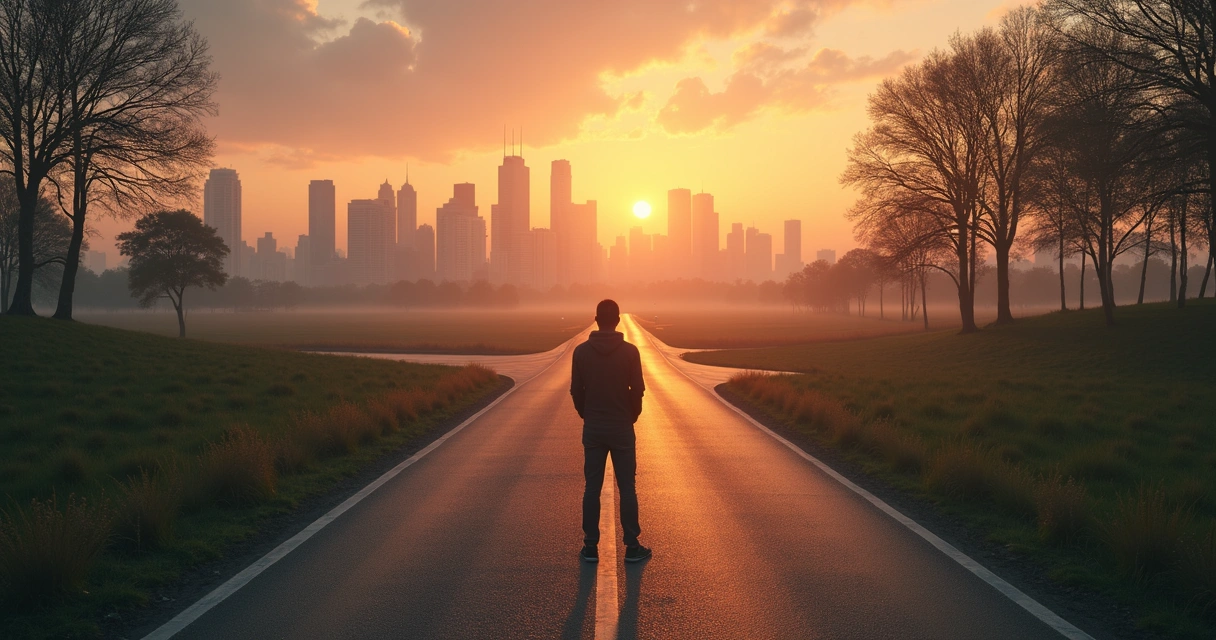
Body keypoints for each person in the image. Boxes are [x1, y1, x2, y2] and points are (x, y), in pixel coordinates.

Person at [570, 299, 651, 563]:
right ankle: (631, 545)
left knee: (592, 487)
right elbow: (637, 390)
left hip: (593, 426)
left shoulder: (581, 352)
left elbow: (576, 391)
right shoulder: (630, 352)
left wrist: (586, 414)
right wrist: (632, 415)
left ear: (596, 319)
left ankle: (591, 546)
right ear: (617, 320)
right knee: (627, 487)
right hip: (621, 426)